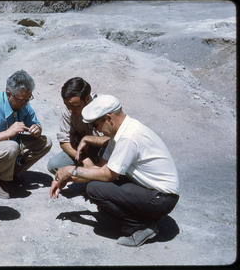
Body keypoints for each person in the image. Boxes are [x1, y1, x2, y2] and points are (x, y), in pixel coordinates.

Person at [51, 95, 179, 247]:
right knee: (96, 184)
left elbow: (107, 175)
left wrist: (72, 171)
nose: (95, 130)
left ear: (108, 118)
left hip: (162, 198)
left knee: (95, 189)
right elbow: (100, 168)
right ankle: (143, 217)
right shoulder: (120, 132)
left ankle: (140, 227)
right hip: (152, 191)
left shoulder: (128, 137)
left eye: (95, 125)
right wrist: (66, 177)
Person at [0, 70, 52, 199]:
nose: (25, 104)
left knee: (44, 142)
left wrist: (37, 129)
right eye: (21, 100)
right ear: (9, 94)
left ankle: (9, 174)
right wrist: (7, 133)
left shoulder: (24, 103)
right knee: (11, 146)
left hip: (6, 148)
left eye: (28, 98)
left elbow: (36, 124)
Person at [47, 77, 109, 175]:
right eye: (67, 106)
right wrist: (84, 159)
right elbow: (64, 141)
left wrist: (88, 139)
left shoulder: (104, 107)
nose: (70, 110)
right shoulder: (68, 110)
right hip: (83, 150)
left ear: (87, 98)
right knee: (54, 165)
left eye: (75, 106)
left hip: (106, 150)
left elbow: (114, 139)